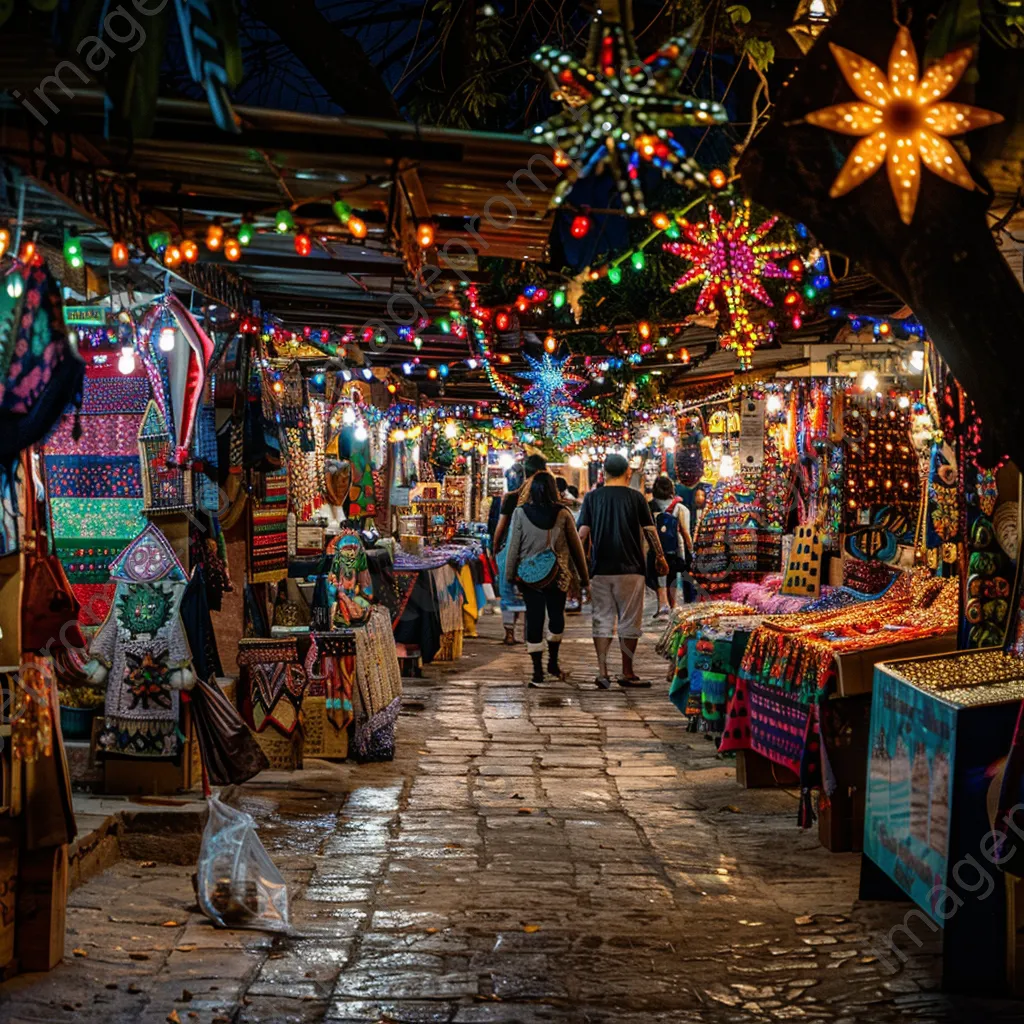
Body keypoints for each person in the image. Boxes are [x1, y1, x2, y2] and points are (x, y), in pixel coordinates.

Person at [577, 453, 668, 689]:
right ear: (628, 472)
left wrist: (580, 565)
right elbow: (650, 530)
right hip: (631, 569)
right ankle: (627, 672)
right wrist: (660, 557)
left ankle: (603, 671)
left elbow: (582, 534)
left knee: (602, 620)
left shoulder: (592, 498)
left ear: (603, 473)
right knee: (629, 622)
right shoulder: (636, 498)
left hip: (601, 569)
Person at [504, 471, 590, 686]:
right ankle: (552, 660)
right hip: (558, 574)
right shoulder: (563, 514)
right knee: (556, 615)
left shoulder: (520, 513)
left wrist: (509, 575)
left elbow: (513, 547)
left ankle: (537, 672)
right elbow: (576, 547)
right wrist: (583, 578)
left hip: (529, 576)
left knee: (534, 618)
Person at [493, 454, 547, 645]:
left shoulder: (511, 497)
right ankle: (530, 634)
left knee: (508, 590)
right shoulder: (549, 501)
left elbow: (501, 527)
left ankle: (509, 633)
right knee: (532, 592)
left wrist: (495, 548)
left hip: (511, 549)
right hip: (538, 551)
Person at [649, 474, 693, 616]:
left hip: (654, 549)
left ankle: (661, 605)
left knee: (658, 576)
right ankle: (672, 606)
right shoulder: (680, 508)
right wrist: (691, 550)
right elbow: (685, 532)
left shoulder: (649, 506)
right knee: (672, 577)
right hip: (674, 549)